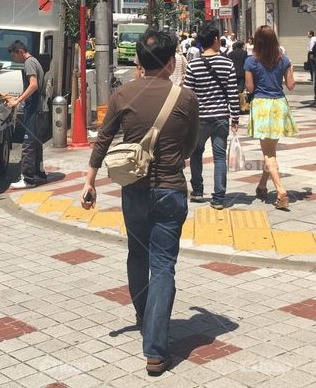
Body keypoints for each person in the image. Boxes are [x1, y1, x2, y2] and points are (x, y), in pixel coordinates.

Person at [80, 30, 199, 376]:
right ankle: (156, 351)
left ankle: (145, 315)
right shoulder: (185, 98)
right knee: (163, 265)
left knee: (137, 254)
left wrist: (89, 182)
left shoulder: (122, 95)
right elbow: (191, 146)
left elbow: (103, 141)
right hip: (171, 190)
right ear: (172, 62)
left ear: (138, 62)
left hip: (133, 189)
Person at [184, 24, 239, 208]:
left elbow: (188, 95)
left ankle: (198, 191)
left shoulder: (193, 65)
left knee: (196, 153)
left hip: (199, 119)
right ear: (216, 40)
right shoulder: (227, 63)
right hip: (221, 117)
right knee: (219, 157)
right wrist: (235, 118)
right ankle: (218, 198)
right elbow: (232, 93)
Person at [245, 25, 297, 209]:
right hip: (278, 105)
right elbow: (291, 85)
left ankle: (281, 191)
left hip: (261, 105)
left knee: (268, 153)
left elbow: (250, 88)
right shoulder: (284, 60)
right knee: (270, 151)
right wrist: (289, 68)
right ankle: (261, 185)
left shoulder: (251, 62)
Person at [7, 41, 48, 189]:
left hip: (35, 108)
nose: (14, 60)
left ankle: (28, 179)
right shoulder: (35, 61)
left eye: (14, 56)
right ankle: (39, 173)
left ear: (20, 51)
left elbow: (33, 85)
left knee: (28, 144)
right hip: (40, 108)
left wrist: (17, 100)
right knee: (36, 142)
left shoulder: (29, 63)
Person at [307, 30, 316, 102]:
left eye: (308, 34)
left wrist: (311, 57)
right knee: (313, 72)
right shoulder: (314, 39)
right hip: (313, 56)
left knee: (314, 72)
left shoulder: (313, 39)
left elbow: (311, 50)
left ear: (311, 34)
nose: (307, 35)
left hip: (313, 56)